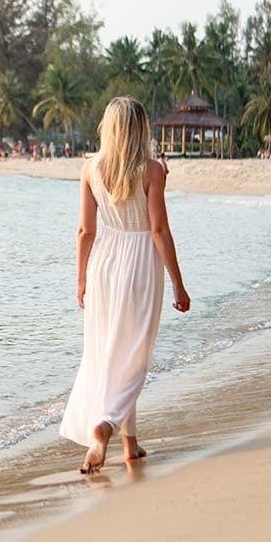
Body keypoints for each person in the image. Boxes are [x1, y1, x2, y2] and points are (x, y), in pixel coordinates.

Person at [60, 96, 191, 474]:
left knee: (110, 352)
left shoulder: (90, 169)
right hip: (140, 262)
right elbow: (159, 230)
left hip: (104, 262)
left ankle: (130, 445)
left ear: (109, 129)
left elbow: (85, 231)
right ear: (140, 129)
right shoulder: (152, 171)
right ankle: (104, 427)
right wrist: (178, 285)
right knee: (133, 356)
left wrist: (82, 278)